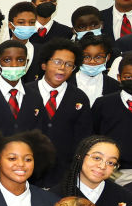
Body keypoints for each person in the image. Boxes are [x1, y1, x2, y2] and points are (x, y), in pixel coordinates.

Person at [19, 38, 91, 186]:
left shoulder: (79, 98)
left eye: (69, 64)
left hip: (63, 177)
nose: (62, 68)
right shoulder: (24, 92)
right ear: (44, 64)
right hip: (25, 173)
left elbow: (83, 140)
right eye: (57, 62)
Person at [57, 136, 132, 206]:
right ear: (80, 156)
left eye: (111, 163)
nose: (102, 166)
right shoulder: (55, 196)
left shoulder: (126, 198)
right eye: (97, 158)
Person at [92, 52, 132, 185]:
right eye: (129, 77)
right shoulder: (103, 104)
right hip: (110, 170)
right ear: (119, 78)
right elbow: (93, 136)